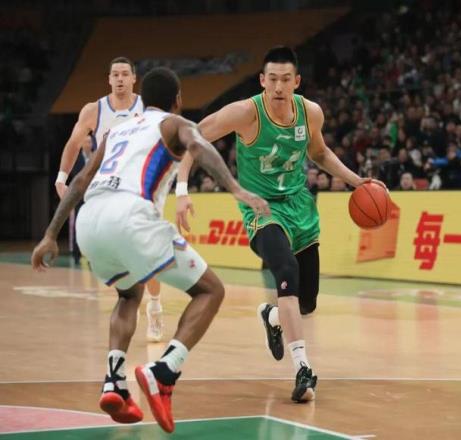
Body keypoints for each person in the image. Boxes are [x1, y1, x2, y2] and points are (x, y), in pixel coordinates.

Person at [31, 67, 270, 433]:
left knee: (129, 294)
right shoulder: (173, 123)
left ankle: (114, 381)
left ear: (142, 100)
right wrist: (236, 189)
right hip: (131, 215)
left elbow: (80, 181)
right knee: (211, 290)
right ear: (178, 100)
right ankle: (165, 371)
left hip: (90, 220)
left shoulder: (116, 130)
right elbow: (199, 146)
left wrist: (50, 234)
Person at [175, 46, 385, 402]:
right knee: (286, 271)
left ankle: (272, 316)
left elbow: (320, 153)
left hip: (300, 208)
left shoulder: (310, 113)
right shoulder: (245, 112)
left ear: (296, 82)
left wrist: (357, 182)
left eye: (285, 79)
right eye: (272, 79)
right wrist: (181, 189)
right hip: (262, 210)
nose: (278, 86)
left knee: (307, 302)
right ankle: (303, 369)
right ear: (262, 80)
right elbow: (193, 138)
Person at [54, 56, 165, 342]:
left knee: (148, 252)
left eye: (125, 74)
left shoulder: (147, 107)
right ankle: (130, 297)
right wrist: (62, 177)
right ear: (109, 79)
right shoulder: (94, 110)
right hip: (106, 190)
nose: (120, 79)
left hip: (142, 187)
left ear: (134, 78)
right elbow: (73, 143)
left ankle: (154, 304)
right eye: (115, 74)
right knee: (119, 250)